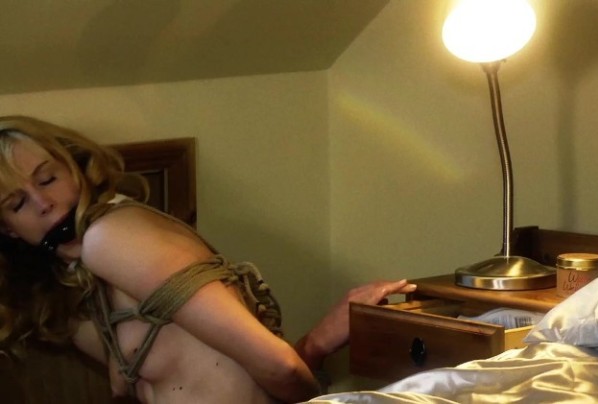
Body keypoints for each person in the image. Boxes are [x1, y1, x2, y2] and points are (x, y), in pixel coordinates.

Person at [0, 115, 416, 403]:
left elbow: (281, 370)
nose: (44, 203)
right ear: (7, 229)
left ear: (74, 167)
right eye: (17, 203)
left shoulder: (109, 237)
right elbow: (220, 374)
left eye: (49, 178)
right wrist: (316, 343)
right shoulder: (69, 283)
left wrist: (316, 387)